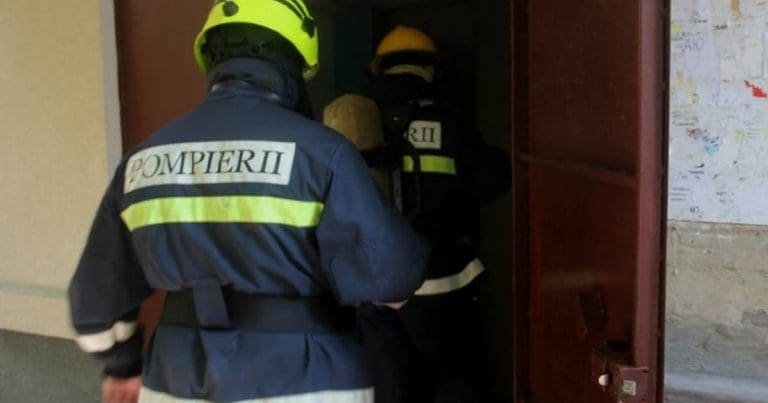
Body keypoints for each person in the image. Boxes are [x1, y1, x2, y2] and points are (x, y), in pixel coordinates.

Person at [68, 2, 429, 402]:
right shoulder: (324, 155)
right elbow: (390, 277)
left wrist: (123, 364)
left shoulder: (141, 161)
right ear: (296, 61)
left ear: (210, 58)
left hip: (175, 379)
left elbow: (95, 303)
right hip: (307, 380)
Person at [359, 25, 511, 402]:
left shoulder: (361, 125)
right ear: (431, 69)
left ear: (381, 69)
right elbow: (490, 184)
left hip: (373, 288)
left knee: (391, 388)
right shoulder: (450, 124)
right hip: (441, 284)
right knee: (452, 383)